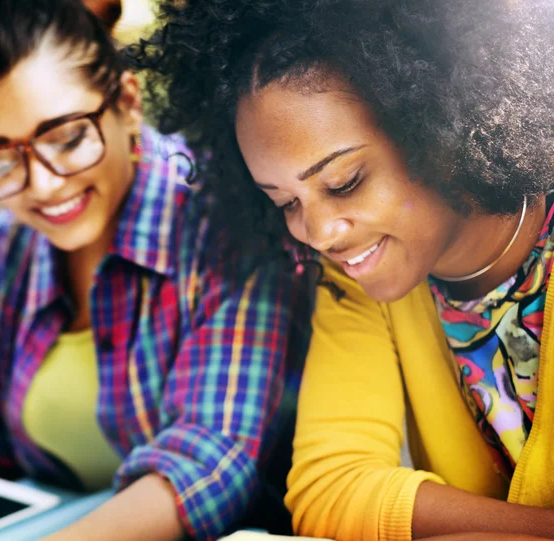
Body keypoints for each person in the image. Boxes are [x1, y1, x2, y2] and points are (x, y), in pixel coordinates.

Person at [138, 0, 554, 540]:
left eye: (344, 182)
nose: (319, 233)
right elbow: (328, 488)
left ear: (444, 128)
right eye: (286, 202)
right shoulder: (357, 281)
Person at [0, 0, 311, 540]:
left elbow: (208, 459)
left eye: (68, 138)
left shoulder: (223, 221)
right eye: (0, 157)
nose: (43, 185)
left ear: (127, 102)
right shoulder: (6, 247)